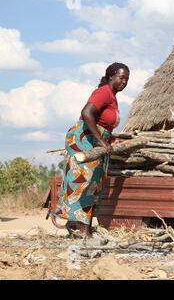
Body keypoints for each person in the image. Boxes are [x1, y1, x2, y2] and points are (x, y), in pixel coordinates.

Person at [53, 62, 130, 237]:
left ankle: (80, 226)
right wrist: (100, 140)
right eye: (121, 77)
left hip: (94, 140)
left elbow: (104, 124)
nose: (124, 81)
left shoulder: (112, 96)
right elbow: (87, 113)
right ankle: (83, 229)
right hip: (83, 140)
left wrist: (108, 138)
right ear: (111, 76)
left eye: (127, 79)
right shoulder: (103, 92)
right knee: (84, 182)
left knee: (94, 184)